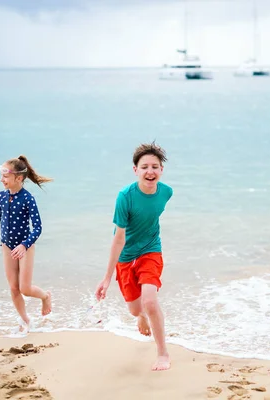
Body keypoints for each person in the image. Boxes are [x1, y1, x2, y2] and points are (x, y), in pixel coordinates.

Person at [95, 142, 173, 371]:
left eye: (155, 167)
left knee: (150, 300)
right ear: (135, 170)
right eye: (145, 166)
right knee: (136, 309)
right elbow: (118, 238)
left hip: (151, 250)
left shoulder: (166, 192)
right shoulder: (125, 197)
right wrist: (107, 278)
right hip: (126, 256)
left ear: (161, 170)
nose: (150, 171)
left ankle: (163, 354)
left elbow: (152, 217)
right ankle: (141, 317)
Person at [0, 155, 53, 333]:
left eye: (6, 176)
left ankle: (45, 296)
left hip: (25, 246)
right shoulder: (0, 197)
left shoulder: (28, 199)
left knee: (25, 288)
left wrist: (24, 245)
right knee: (14, 288)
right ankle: (26, 321)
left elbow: (37, 228)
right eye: (2, 175)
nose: (2, 179)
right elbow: (2, 221)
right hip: (7, 246)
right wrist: (4, 243)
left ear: (18, 178)